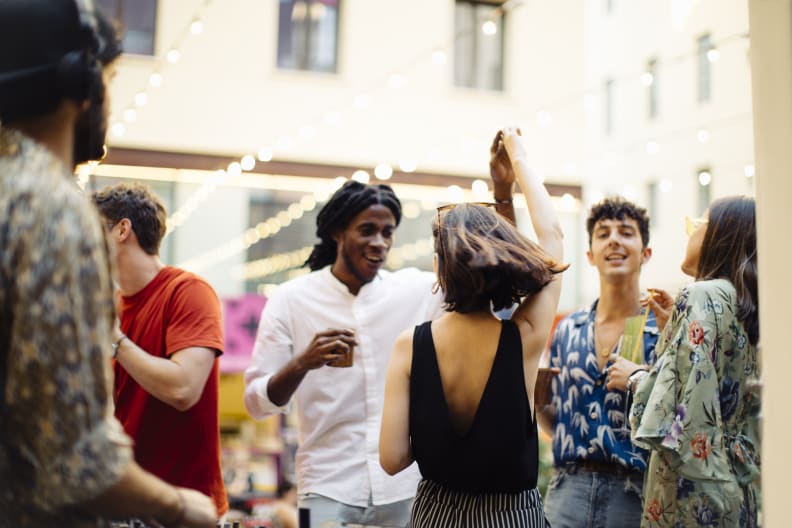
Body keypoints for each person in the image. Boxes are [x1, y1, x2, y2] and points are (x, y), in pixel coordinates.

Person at [0, 1, 217, 526]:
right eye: (110, 79)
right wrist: (182, 507)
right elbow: (77, 461)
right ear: (82, 84)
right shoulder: (52, 210)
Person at [380, 127, 567, 527]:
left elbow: (392, 459)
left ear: (438, 268)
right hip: (511, 516)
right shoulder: (524, 336)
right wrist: (518, 160)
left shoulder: (409, 346)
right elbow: (552, 235)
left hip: (435, 514)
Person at [243, 179, 447, 528]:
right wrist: (302, 363)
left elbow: (489, 286)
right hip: (325, 484)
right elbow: (256, 403)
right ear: (338, 231)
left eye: (387, 232)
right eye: (367, 230)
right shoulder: (291, 300)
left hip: (404, 485)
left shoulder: (414, 290)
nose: (379, 243)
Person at [92, 182, 229, 517]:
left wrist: (114, 338)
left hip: (189, 509)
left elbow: (183, 388)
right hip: (129, 499)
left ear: (122, 230)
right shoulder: (109, 305)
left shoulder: (189, 292)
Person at [629, 197, 760, 527]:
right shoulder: (744, 299)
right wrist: (673, 331)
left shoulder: (700, 295)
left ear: (720, 235)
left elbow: (670, 413)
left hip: (692, 491)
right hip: (737, 485)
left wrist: (634, 377)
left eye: (696, 224)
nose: (689, 233)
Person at [537, 196, 661, 527]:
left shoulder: (661, 328)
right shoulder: (568, 329)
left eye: (626, 232)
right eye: (603, 233)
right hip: (568, 490)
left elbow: (677, 422)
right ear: (590, 255)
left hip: (634, 492)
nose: (614, 240)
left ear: (645, 252)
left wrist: (642, 379)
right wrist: (536, 402)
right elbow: (559, 420)